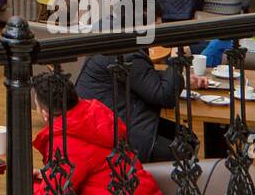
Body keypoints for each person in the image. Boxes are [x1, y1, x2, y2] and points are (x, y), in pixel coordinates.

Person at [32, 74, 166, 195]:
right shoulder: (96, 115)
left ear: (45, 113)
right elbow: (96, 166)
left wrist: (27, 187)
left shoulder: (66, 142)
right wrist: (46, 176)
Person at [74, 45, 205, 162]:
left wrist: (177, 78)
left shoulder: (110, 44)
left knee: (188, 138)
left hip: (107, 127)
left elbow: (140, 76)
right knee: (182, 150)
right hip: (118, 137)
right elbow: (165, 97)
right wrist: (177, 60)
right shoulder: (125, 51)